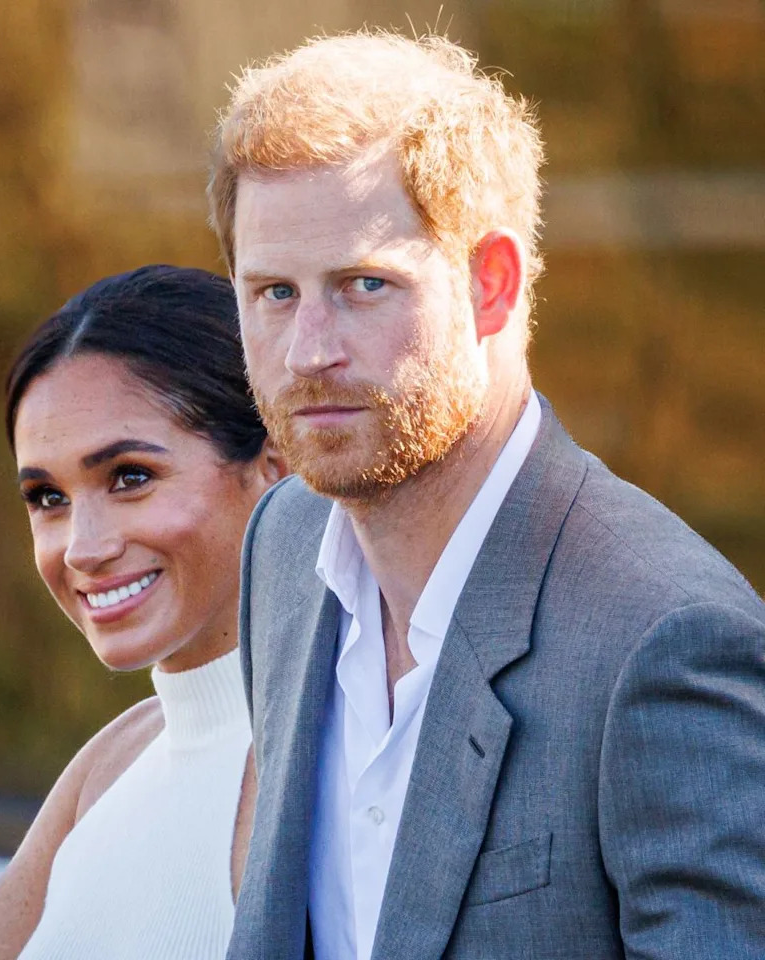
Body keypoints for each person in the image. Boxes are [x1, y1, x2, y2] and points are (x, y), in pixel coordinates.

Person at [207, 30, 765, 960]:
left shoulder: (665, 640)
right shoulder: (282, 547)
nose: (309, 351)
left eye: (363, 285)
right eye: (273, 292)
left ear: (492, 284)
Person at [0, 265, 286, 960]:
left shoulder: (335, 746)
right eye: (48, 498)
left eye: (129, 477)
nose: (83, 549)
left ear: (273, 470)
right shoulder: (115, 761)